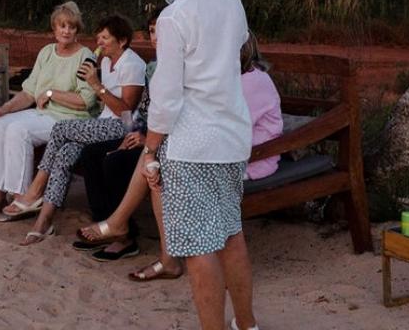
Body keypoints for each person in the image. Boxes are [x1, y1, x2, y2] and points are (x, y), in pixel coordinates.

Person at [76, 30, 284, 281]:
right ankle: (152, 248)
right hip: (219, 150)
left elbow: (224, 128)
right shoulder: (220, 78)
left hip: (250, 158)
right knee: (151, 165)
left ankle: (132, 233)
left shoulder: (252, 81)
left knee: (155, 163)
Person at [143, 0, 258, 330]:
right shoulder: (233, 4)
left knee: (199, 247)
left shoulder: (173, 17)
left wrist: (150, 148)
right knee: (231, 234)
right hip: (231, 137)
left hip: (192, 144)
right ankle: (246, 324)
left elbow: (167, 96)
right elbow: (237, 50)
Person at [6, 14, 146, 245]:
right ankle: (44, 221)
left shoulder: (133, 64)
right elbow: (103, 104)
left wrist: (96, 86)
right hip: (103, 123)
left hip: (124, 127)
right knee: (65, 154)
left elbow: (126, 112)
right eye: (98, 38)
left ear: (121, 41)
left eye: (105, 38)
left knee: (61, 129)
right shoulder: (106, 62)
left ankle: (35, 190)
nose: (99, 43)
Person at [0, 1, 95, 217]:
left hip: (71, 118)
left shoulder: (85, 56)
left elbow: (86, 101)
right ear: (54, 28)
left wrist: (51, 93)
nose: (66, 31)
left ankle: (23, 197)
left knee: (19, 130)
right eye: (62, 26)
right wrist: (5, 108)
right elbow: (28, 93)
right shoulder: (46, 52)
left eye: (71, 27)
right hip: (43, 114)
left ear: (77, 30)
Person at [72, 11, 160, 261]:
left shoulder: (138, 65)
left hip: (157, 140)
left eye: (105, 37)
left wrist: (145, 138)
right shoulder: (154, 66)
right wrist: (132, 133)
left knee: (113, 161)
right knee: (90, 154)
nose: (156, 37)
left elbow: (128, 109)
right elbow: (141, 112)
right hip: (138, 130)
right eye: (152, 31)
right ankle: (105, 224)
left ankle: (125, 236)